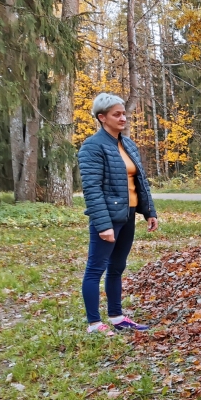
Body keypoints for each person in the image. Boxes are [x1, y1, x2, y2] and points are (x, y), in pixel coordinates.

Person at [77, 93, 159, 335]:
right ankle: (94, 323)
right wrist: (103, 225)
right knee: (95, 269)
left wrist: (148, 211)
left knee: (117, 267)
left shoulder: (128, 144)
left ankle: (116, 317)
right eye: (117, 114)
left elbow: (140, 182)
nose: (123, 118)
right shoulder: (92, 147)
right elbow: (92, 190)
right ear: (102, 118)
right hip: (107, 219)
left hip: (128, 214)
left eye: (124, 113)